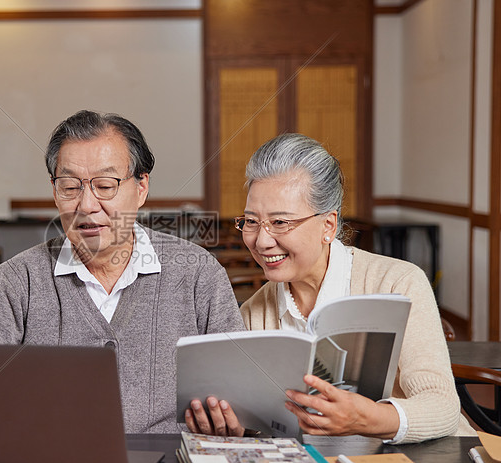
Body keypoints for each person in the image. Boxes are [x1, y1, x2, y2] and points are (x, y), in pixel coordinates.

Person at [0, 110, 245, 433]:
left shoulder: (199, 275)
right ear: (55, 191)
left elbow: (242, 397)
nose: (87, 205)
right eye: (70, 186)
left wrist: (236, 421)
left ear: (141, 187)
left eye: (105, 185)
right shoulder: (14, 282)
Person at [185, 133, 475, 443]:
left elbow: (443, 406)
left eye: (280, 222)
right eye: (252, 222)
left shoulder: (398, 283)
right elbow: (262, 423)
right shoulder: (253, 314)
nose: (261, 240)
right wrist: (234, 423)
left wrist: (366, 418)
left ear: (329, 225)